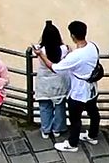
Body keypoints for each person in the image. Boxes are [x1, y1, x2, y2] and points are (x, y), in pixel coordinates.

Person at [37, 21, 101, 153]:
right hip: (92, 88)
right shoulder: (93, 46)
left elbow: (55, 67)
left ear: (72, 35)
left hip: (78, 92)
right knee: (93, 112)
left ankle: (72, 144)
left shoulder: (75, 56)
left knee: (75, 119)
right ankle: (92, 136)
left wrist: (41, 55)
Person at [32, 21, 70, 140]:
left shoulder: (40, 50)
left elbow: (36, 47)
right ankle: (57, 129)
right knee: (60, 107)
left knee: (44, 106)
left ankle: (46, 129)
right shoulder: (64, 49)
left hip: (44, 82)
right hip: (59, 82)